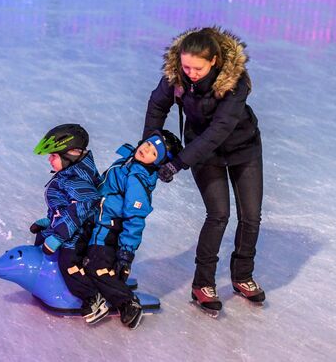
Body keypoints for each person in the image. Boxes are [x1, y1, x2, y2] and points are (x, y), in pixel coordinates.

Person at [142, 26, 266, 313]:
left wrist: (178, 162)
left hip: (243, 149)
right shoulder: (177, 77)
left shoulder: (236, 84)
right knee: (219, 215)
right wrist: (152, 142)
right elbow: (157, 105)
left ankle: (243, 275)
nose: (191, 73)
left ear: (214, 61)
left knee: (251, 216)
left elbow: (219, 130)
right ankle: (203, 283)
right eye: (186, 66)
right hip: (203, 151)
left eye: (197, 68)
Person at [84, 130, 183, 329]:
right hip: (98, 219)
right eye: (147, 144)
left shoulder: (137, 178)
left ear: (158, 162)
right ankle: (106, 279)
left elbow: (135, 219)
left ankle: (128, 302)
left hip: (109, 228)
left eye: (153, 153)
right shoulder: (130, 161)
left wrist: (126, 253)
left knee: (94, 265)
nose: (145, 150)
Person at [31, 123, 109, 323]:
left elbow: (81, 208)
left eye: (54, 155)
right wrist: (49, 221)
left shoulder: (77, 179)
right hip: (68, 227)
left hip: (78, 233)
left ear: (71, 154)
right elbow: (65, 206)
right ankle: (48, 281)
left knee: (68, 262)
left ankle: (93, 299)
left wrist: (58, 236)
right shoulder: (70, 173)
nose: (50, 159)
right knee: (41, 240)